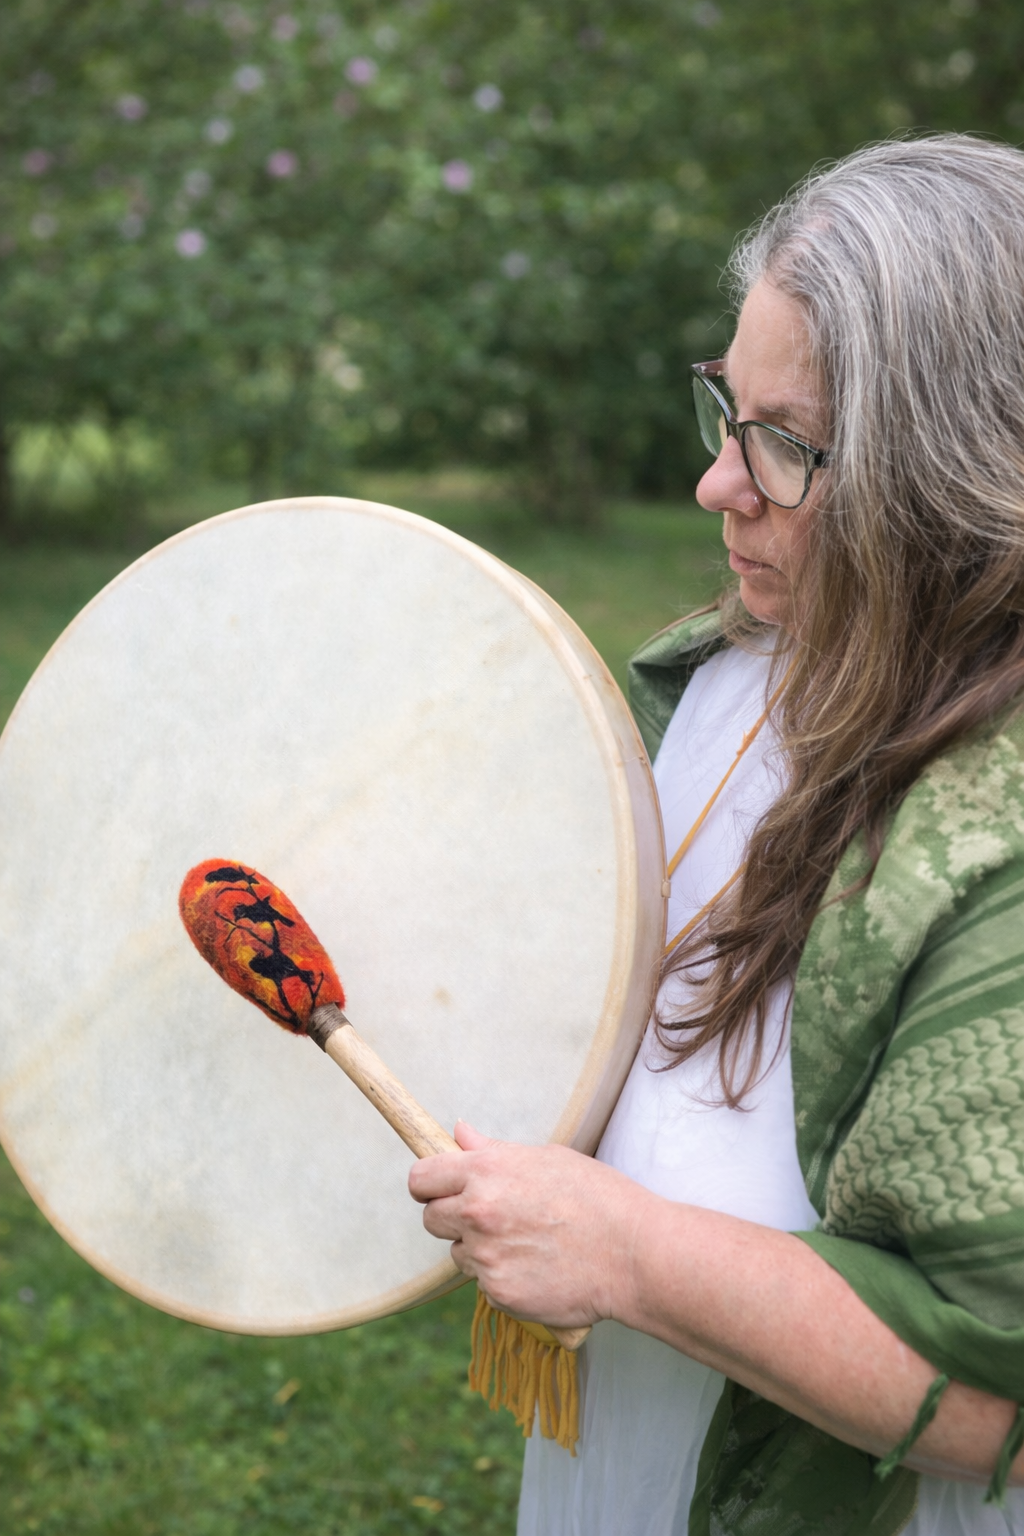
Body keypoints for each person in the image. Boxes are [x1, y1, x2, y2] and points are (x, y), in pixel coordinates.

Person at [410, 135, 1024, 1536]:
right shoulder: (729, 673)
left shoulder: (1003, 843)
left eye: (788, 447)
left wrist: (629, 1255)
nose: (719, 487)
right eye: (726, 414)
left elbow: (1004, 1393)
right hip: (634, 1448)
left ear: (962, 473)